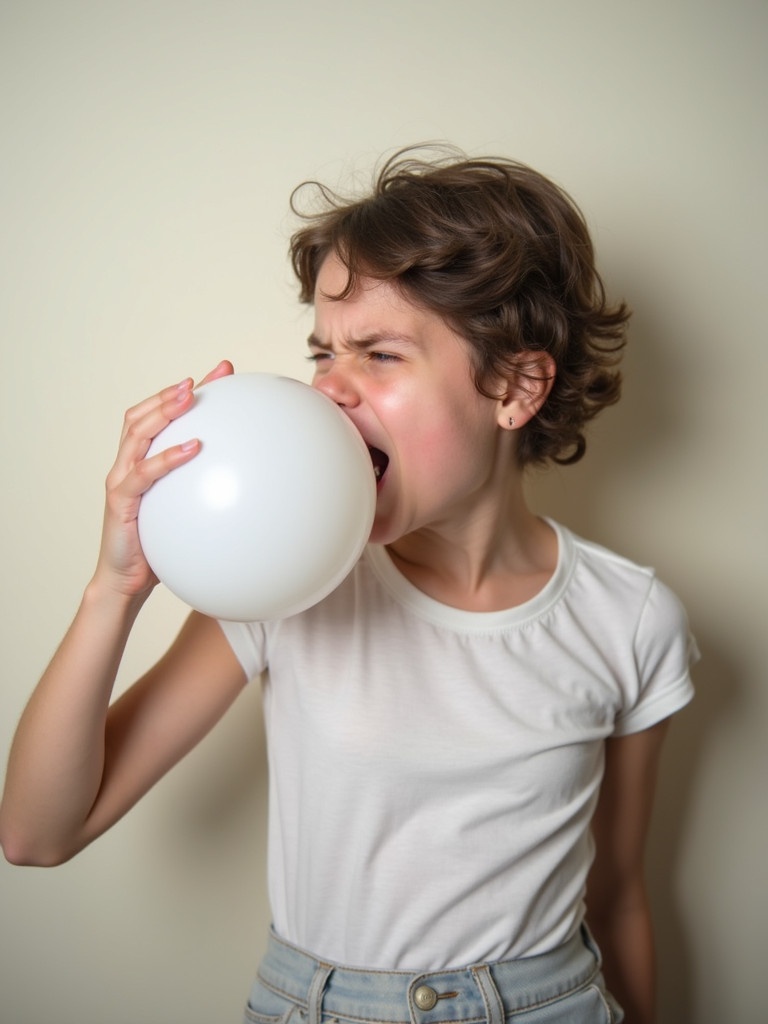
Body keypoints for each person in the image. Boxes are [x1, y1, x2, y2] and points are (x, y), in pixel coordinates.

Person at [0, 146, 697, 1024]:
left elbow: (622, 894)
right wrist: (116, 588)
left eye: (379, 354)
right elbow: (36, 833)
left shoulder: (630, 618)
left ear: (516, 385)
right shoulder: (285, 586)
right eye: (322, 352)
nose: (328, 390)